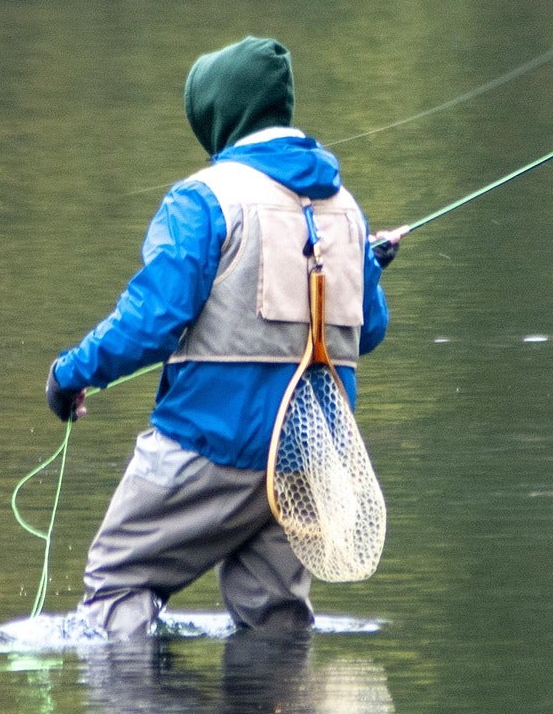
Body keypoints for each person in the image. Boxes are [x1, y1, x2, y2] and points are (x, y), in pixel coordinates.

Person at [46, 34, 397, 638]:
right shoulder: (348, 210)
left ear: (219, 116)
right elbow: (369, 333)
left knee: (118, 584)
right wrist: (364, 263)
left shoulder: (203, 199)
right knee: (275, 623)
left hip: (209, 444)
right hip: (307, 462)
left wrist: (72, 372)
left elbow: (150, 322)